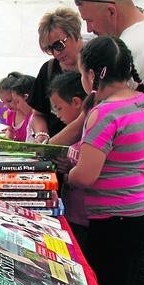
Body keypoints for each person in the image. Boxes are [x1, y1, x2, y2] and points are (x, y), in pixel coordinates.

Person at [75, 2, 144, 285]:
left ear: (92, 74)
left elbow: (86, 176)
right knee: (135, 282)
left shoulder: (103, 114)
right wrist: (137, 166)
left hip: (115, 217)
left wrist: (70, 168)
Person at [28, 7, 85, 145]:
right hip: (55, 156)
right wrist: (41, 135)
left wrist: (50, 146)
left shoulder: (95, 67)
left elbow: (82, 123)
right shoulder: (48, 69)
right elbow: (37, 114)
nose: (55, 53)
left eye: (59, 45)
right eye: (49, 49)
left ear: (75, 33)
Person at [47, 71, 89, 253]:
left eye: (59, 108)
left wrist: (72, 170)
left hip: (87, 216)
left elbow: (88, 172)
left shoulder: (89, 135)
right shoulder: (72, 135)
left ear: (76, 102)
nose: (57, 115)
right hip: (73, 212)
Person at [0, 72, 32, 142]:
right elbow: (10, 130)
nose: (6, 106)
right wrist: (7, 137)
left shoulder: (30, 115)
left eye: (9, 101)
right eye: (3, 102)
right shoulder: (10, 113)